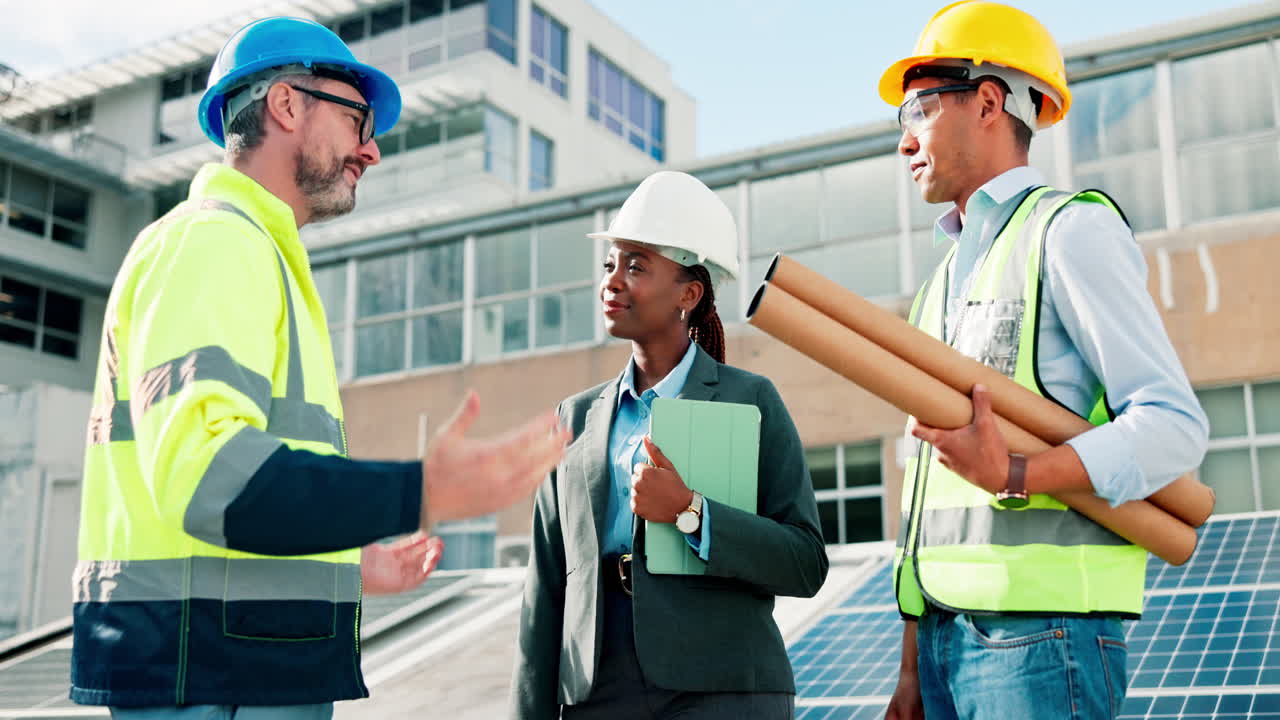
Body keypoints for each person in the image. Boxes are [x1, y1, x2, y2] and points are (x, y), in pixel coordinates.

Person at [72, 16, 570, 719]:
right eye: (358, 118)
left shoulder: (260, 258)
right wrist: (421, 490)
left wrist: (345, 564)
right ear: (286, 104)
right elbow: (213, 480)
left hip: (230, 673)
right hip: (210, 681)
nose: (371, 149)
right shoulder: (213, 244)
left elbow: (237, 500)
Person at [876, 3, 1209, 720]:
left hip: (1041, 643)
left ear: (989, 101)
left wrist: (1019, 474)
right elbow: (927, 494)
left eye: (919, 110)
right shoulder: (937, 286)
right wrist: (911, 665)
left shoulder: (1071, 231)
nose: (904, 142)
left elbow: (1174, 426)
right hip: (944, 641)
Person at [508, 170, 829, 720]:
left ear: (689, 292)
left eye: (636, 266)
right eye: (610, 265)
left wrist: (691, 512)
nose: (612, 281)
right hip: (596, 688)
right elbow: (545, 584)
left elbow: (804, 563)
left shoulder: (748, 400)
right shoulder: (576, 418)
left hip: (722, 686)